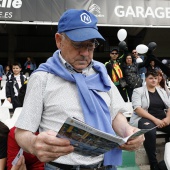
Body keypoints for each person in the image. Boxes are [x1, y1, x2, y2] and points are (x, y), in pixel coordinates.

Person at [15, 9, 144, 170]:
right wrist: (34, 144)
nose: (85, 53)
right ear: (59, 40)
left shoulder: (101, 73)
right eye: (78, 44)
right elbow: (21, 132)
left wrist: (128, 132)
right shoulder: (42, 78)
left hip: (105, 166)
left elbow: (114, 113)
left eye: (90, 45)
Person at [129, 71, 170, 170]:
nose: (154, 80)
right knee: (149, 131)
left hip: (162, 118)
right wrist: (156, 120)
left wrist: (168, 119)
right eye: (151, 78)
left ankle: (168, 160)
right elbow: (138, 109)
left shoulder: (162, 91)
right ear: (146, 79)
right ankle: (153, 163)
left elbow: (169, 107)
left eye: (155, 78)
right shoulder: (138, 91)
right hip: (145, 118)